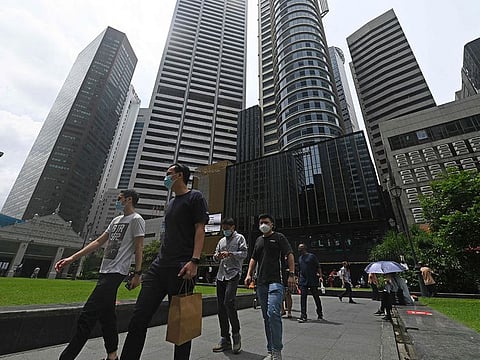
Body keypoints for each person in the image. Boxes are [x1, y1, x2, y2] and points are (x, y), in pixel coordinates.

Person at [120, 164, 209, 360]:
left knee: (181, 323)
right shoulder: (170, 203)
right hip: (159, 268)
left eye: (168, 173)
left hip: (182, 268)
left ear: (179, 175)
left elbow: (200, 229)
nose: (165, 177)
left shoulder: (195, 197)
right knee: (138, 317)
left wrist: (194, 261)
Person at [55, 189, 145, 360]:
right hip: (105, 271)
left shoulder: (137, 220)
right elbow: (98, 241)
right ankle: (112, 356)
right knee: (107, 316)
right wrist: (72, 258)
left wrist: (137, 273)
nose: (118, 201)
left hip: (117, 272)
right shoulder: (116, 220)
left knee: (87, 316)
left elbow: (139, 247)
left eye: (120, 199)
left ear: (129, 200)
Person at [244, 214, 295, 360]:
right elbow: (253, 258)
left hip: (276, 281)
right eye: (260, 223)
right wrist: (249, 274)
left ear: (272, 224)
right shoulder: (259, 240)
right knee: (267, 317)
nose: (263, 225)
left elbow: (290, 254)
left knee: (273, 313)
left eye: (266, 222)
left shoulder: (279, 237)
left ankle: (277, 350)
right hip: (261, 283)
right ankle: (270, 350)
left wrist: (291, 274)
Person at [212, 217, 247, 354]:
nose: (225, 230)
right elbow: (215, 255)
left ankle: (236, 335)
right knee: (220, 307)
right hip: (221, 275)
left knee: (229, 302)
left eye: (227, 228)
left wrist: (231, 253)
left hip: (233, 274)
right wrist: (217, 256)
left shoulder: (240, 238)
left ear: (233, 227)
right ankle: (225, 338)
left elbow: (244, 253)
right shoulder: (221, 241)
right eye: (223, 228)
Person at [296, 244, 323, 322]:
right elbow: (300, 270)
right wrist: (298, 278)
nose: (299, 249)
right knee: (303, 298)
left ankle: (320, 314)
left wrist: (320, 276)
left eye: (300, 248)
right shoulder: (300, 258)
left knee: (316, 297)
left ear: (304, 248)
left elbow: (318, 266)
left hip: (312, 279)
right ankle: (303, 315)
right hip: (303, 280)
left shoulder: (312, 256)